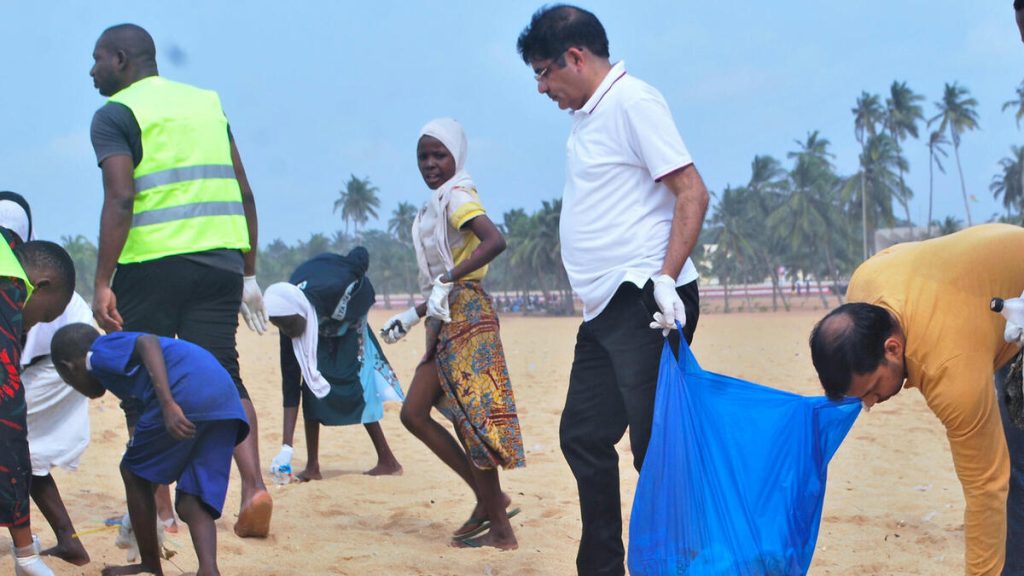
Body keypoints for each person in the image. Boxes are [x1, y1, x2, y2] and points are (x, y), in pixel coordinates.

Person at [516, 6, 709, 574]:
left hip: (646, 299)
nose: (542, 87)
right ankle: (601, 567)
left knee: (655, 449)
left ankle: (673, 562)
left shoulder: (633, 102)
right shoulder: (586, 118)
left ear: (576, 57)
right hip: (603, 308)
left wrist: (668, 278)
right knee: (582, 435)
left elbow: (692, 192)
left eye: (545, 72)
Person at [88, 23, 272, 537]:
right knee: (224, 372)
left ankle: (162, 510)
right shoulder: (206, 104)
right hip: (219, 262)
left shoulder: (114, 114)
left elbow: (121, 197)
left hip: (151, 263)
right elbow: (245, 191)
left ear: (121, 59)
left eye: (98, 59)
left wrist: (103, 280)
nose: (92, 70)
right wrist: (249, 271)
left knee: (145, 379)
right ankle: (254, 486)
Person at [809, 223, 1024, 576]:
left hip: (1007, 300)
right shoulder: (863, 287)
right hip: (989, 306)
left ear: (892, 348)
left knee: (1009, 470)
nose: (871, 404)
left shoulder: (951, 370)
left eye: (872, 390)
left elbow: (985, 487)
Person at [381, 117, 525, 550]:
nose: (430, 163)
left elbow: (493, 241)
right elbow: (446, 282)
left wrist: (445, 281)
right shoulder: (437, 202)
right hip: (448, 315)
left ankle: (500, 529)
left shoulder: (458, 194)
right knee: (414, 413)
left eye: (439, 154)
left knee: (468, 422)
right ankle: (490, 499)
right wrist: (415, 316)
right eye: (423, 156)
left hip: (467, 314)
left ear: (456, 156)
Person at [51, 323, 249, 576]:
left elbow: (147, 342)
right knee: (192, 499)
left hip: (185, 390)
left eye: (69, 381)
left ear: (69, 367)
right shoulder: (115, 368)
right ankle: (208, 570)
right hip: (224, 398)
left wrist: (167, 404)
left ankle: (150, 565)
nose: (77, 388)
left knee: (132, 473)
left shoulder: (97, 353)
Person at [0, 191, 93, 567]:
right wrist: (25, 553)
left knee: (22, 444)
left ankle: (54, 539)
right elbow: (8, 416)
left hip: (66, 360)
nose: (31, 324)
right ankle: (29, 542)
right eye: (40, 316)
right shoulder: (10, 287)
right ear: (39, 286)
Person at [263, 247, 403, 481]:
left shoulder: (333, 290)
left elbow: (365, 294)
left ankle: (388, 460)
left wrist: (344, 326)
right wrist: (286, 448)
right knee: (311, 383)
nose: (287, 332)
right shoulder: (287, 315)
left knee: (359, 383)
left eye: (288, 325)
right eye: (282, 328)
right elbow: (290, 382)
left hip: (350, 317)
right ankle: (312, 466)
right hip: (319, 320)